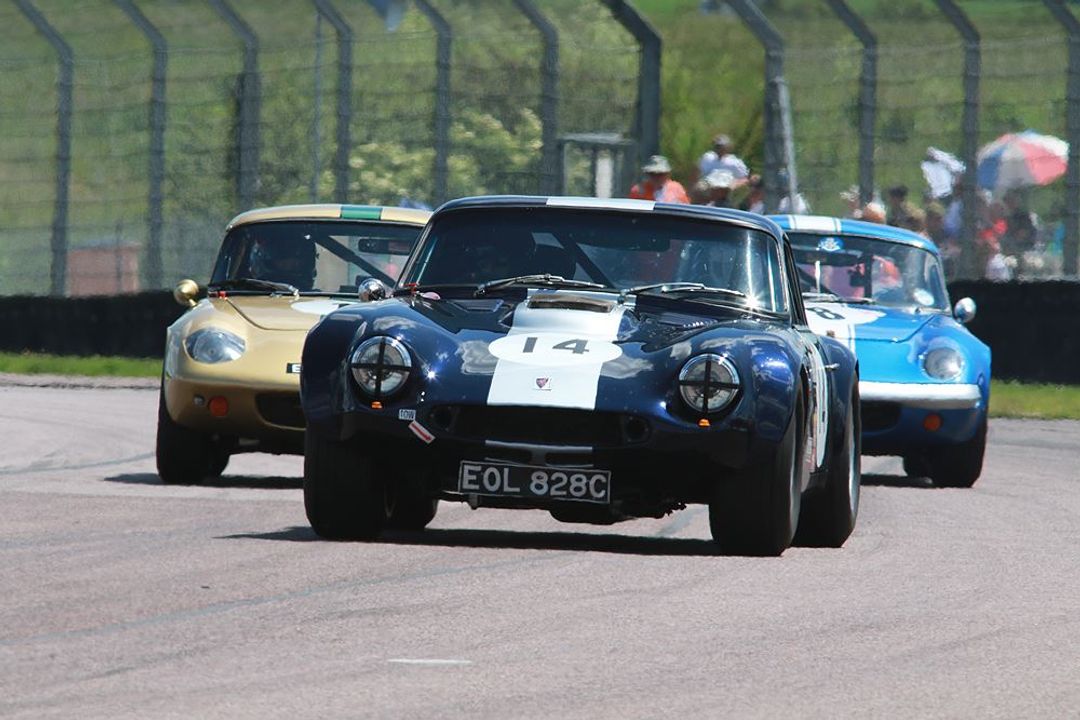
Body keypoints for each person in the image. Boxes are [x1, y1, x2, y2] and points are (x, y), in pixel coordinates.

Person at [248, 234, 317, 290]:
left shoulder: (304, 285)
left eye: (296, 265)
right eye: (284, 265)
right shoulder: (260, 284)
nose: (290, 266)